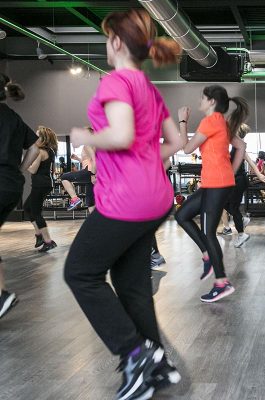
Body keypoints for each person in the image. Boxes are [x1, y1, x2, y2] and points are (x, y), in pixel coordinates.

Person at [63, 9, 185, 400]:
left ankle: (134, 354)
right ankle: (158, 362)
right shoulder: (149, 87)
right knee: (131, 285)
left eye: (106, 39)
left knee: (80, 273)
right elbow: (177, 143)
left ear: (116, 41)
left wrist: (86, 136)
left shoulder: (116, 81)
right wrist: (146, 160)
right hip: (156, 197)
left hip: (126, 200)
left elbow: (121, 133)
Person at [175, 85, 248, 302]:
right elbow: (241, 146)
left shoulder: (211, 121)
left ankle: (221, 282)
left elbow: (187, 148)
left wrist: (182, 121)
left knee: (208, 233)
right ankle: (207, 255)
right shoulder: (221, 123)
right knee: (182, 215)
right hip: (214, 183)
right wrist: (231, 173)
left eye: (202, 97)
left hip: (216, 183)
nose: (200, 100)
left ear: (212, 102)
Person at [0, 73, 39, 319]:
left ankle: (2, 296)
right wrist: (20, 170)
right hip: (11, 185)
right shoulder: (11, 116)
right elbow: (35, 146)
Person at [222, 123, 265, 248]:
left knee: (234, 207)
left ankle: (241, 234)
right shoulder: (237, 146)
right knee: (224, 203)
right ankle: (242, 220)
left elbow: (252, 163)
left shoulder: (238, 147)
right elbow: (251, 162)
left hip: (238, 181)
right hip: (235, 180)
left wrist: (259, 175)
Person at [24, 126, 58, 252]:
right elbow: (51, 169)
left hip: (40, 185)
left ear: (43, 138)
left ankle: (48, 241)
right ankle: (39, 235)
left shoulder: (39, 151)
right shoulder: (50, 151)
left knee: (36, 212)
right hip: (46, 183)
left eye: (37, 135)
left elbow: (33, 169)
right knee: (28, 208)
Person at [61, 128, 96, 212]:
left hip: (89, 172)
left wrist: (93, 175)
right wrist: (77, 159)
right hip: (90, 171)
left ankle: (75, 199)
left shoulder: (88, 145)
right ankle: (94, 222)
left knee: (64, 177)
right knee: (90, 201)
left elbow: (95, 159)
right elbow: (88, 160)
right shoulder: (92, 145)